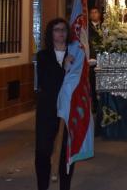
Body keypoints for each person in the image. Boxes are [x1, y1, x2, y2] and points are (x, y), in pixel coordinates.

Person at [35, 18, 74, 190]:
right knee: (43, 151)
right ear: (51, 33)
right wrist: (63, 68)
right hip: (47, 110)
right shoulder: (43, 56)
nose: (61, 33)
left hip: (68, 110)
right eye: (57, 29)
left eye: (64, 29)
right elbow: (47, 82)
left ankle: (65, 187)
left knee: (66, 151)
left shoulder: (74, 55)